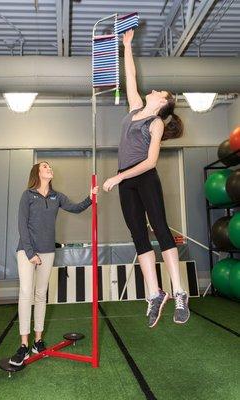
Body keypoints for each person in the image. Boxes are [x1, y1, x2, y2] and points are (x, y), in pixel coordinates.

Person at [103, 29, 190, 328]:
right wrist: (127, 46)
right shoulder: (134, 109)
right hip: (126, 181)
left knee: (161, 229)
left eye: (160, 92)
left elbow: (150, 161)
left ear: (162, 104)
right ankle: (155, 294)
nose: (154, 91)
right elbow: (131, 77)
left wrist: (118, 177)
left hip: (144, 177)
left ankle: (179, 292)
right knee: (138, 236)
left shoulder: (155, 124)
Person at [10, 161, 99, 366]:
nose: (49, 168)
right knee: (26, 293)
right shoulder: (28, 195)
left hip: (48, 251)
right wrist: (31, 253)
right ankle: (24, 344)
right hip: (26, 251)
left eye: (49, 167)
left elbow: (76, 208)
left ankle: (38, 341)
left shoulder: (56, 196)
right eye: (44, 166)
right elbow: (22, 226)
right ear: (37, 172)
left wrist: (91, 197)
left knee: (41, 294)